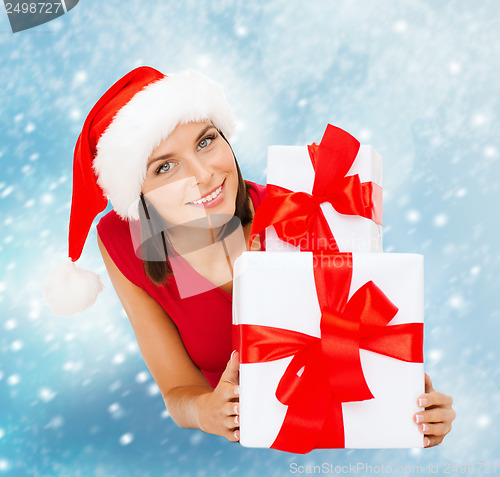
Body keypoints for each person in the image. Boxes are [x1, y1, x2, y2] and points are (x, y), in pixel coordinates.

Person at [43, 66, 456, 448]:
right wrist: (206, 412)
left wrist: (406, 398)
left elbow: (362, 337)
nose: (202, 174)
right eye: (165, 167)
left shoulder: (303, 212)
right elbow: (177, 390)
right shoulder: (124, 242)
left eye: (206, 141)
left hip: (315, 432)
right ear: (137, 192)